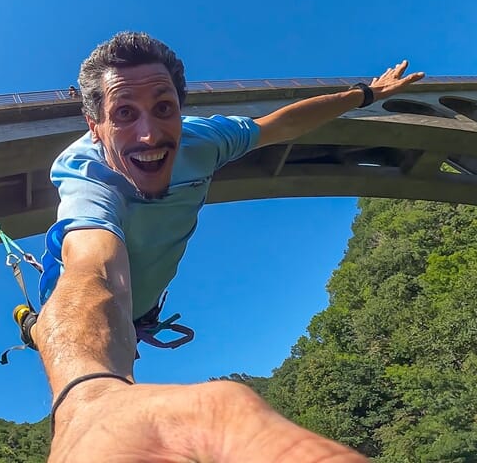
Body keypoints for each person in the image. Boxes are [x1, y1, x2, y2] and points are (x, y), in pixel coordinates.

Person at [29, 32, 423, 462]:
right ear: (96, 127)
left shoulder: (206, 140)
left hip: (143, 308)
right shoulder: (86, 174)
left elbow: (283, 124)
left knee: (131, 317)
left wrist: (364, 95)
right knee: (83, 303)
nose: (149, 135)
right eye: (124, 113)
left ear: (181, 110)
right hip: (79, 293)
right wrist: (88, 398)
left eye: (164, 108)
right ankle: (36, 325)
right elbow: (95, 269)